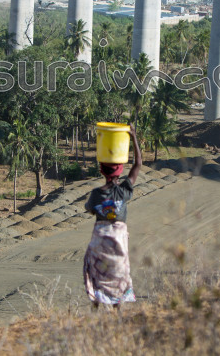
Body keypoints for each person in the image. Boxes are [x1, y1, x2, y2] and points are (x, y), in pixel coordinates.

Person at [83, 124, 142, 307]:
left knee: (95, 271)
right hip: (118, 241)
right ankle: (117, 309)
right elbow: (138, 165)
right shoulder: (123, 191)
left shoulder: (96, 194)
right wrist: (133, 136)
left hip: (100, 240)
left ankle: (96, 306)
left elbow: (90, 209)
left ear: (101, 169)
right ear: (120, 170)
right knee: (119, 274)